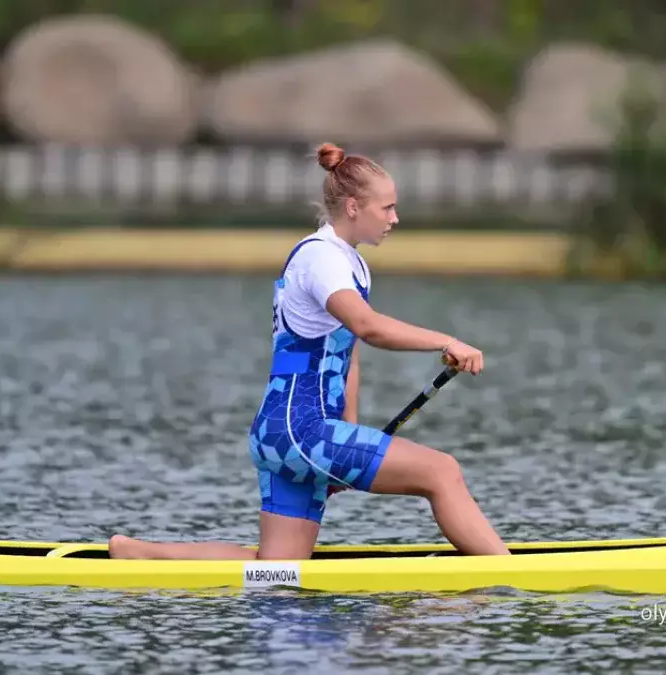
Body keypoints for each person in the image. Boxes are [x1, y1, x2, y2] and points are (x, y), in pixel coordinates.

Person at [108, 142, 510, 560]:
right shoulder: (321, 259)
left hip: (286, 434)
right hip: (303, 431)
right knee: (441, 471)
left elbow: (348, 354)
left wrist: (351, 437)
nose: (395, 218)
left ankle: (138, 553)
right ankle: (507, 575)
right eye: (387, 208)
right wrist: (446, 341)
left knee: (276, 570)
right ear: (353, 206)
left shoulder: (347, 262)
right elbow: (367, 327)